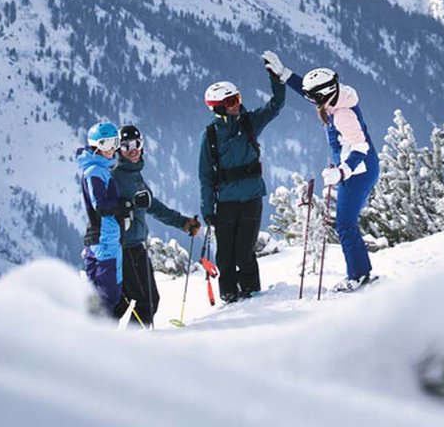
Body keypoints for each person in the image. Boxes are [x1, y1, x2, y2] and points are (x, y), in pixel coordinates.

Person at [198, 51, 291, 302]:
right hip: (225, 202)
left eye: (237, 98)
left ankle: (252, 293)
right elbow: (205, 176)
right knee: (225, 253)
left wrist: (277, 79)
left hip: (251, 197)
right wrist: (208, 209)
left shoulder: (249, 122)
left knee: (244, 251)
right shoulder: (211, 136)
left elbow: (276, 105)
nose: (236, 104)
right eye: (230, 101)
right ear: (218, 107)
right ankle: (229, 295)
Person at [296, 65, 379, 292]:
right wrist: (284, 74)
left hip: (358, 172)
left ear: (324, 94)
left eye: (314, 97)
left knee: (344, 224)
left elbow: (360, 147)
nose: (312, 101)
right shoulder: (336, 99)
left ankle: (358, 276)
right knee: (346, 223)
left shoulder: (342, 114)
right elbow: (307, 91)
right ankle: (362, 271)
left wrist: (342, 172)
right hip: (356, 169)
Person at [110, 123, 200, 326]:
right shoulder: (116, 177)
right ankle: (136, 345)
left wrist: (184, 222)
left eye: (137, 144)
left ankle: (105, 346)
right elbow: (105, 211)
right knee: (147, 303)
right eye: (126, 146)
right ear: (118, 149)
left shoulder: (134, 175)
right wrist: (127, 206)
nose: (133, 150)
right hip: (126, 248)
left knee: (121, 304)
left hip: (133, 247)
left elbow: (153, 206)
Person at [76, 121, 127, 319]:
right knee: (109, 294)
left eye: (115, 142)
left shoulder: (97, 168)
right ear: (96, 146)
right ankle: (104, 338)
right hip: (105, 239)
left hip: (99, 238)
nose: (112, 148)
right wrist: (125, 205)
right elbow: (101, 205)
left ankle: (92, 334)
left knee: (95, 293)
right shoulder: (95, 171)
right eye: (106, 144)